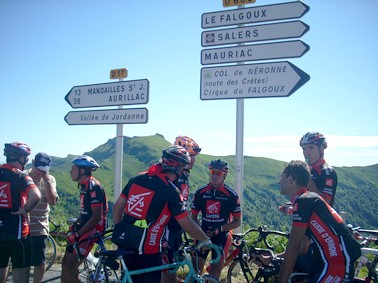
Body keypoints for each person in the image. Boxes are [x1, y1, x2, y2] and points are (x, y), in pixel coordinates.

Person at [112, 145, 211, 283]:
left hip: (125, 242)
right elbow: (187, 224)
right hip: (148, 249)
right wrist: (204, 239)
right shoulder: (171, 191)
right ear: (178, 169)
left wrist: (119, 229)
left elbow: (117, 208)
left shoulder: (137, 178)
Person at [277, 160, 361, 283]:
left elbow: (293, 246)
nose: (279, 181)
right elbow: (300, 246)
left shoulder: (304, 202)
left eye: (281, 177)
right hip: (331, 261)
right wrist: (277, 258)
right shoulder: (307, 199)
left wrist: (282, 280)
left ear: (290, 179)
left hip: (338, 263)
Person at [191, 159, 241, 280]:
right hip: (203, 233)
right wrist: (201, 234)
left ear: (224, 175)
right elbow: (193, 217)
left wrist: (220, 229)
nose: (214, 176)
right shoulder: (200, 192)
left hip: (222, 235)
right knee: (196, 271)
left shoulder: (231, 195)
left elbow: (237, 221)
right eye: (213, 172)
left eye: (218, 173)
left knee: (215, 271)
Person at [61, 155, 108, 283]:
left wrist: (77, 233)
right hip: (85, 224)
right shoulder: (83, 185)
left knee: (71, 265)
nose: (71, 171)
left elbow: (96, 216)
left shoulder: (93, 186)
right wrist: (76, 225)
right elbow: (84, 211)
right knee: (65, 262)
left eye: (73, 168)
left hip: (94, 227)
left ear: (82, 171)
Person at [161, 136, 201, 283]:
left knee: (173, 269)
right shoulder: (172, 176)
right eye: (191, 155)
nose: (193, 160)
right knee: (165, 271)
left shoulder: (183, 175)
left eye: (194, 156)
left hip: (177, 229)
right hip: (166, 230)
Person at [0, 142, 41, 283]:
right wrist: (25, 210)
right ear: (21, 158)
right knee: (20, 276)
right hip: (18, 234)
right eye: (26, 158)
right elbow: (36, 196)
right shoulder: (20, 176)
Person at [27, 152, 58, 283]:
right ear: (33, 162)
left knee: (39, 261)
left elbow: (52, 201)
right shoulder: (23, 176)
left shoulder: (50, 179)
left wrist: (46, 181)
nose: (40, 171)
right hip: (22, 226)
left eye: (43, 169)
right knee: (23, 262)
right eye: (38, 168)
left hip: (40, 228)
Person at [300, 132, 338, 206]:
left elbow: (325, 203)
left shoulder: (328, 171)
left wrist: (308, 178)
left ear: (321, 148)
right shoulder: (308, 169)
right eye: (304, 149)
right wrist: (291, 207)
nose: (306, 153)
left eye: (311, 148)